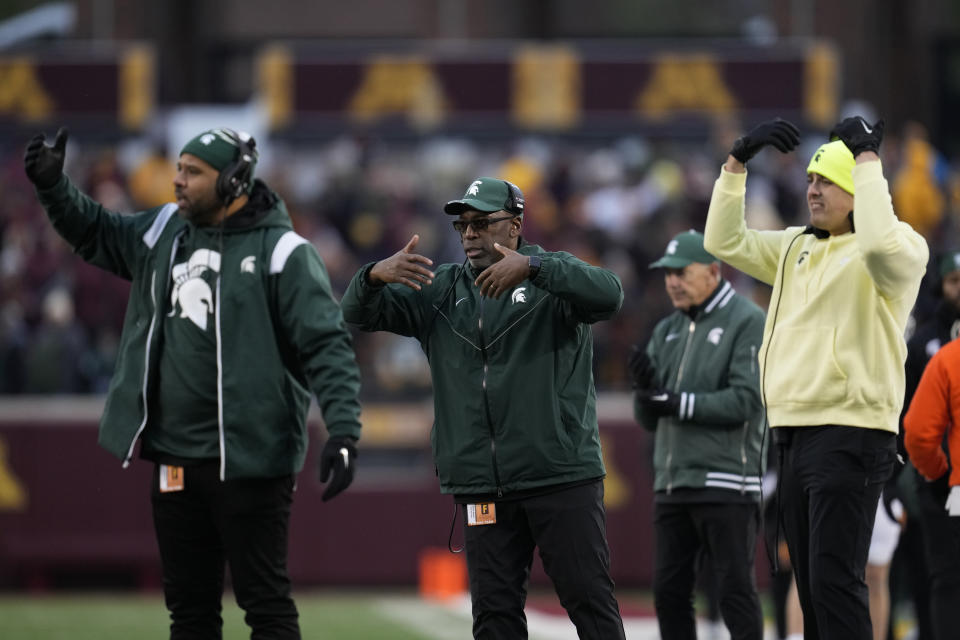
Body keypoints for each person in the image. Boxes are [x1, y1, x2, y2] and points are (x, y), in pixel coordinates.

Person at [24, 127, 363, 639]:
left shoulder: (285, 253)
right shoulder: (162, 231)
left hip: (252, 459)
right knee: (189, 615)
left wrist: (343, 432)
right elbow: (93, 230)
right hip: (175, 459)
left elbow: (327, 346)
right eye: (178, 168)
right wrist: (53, 184)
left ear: (232, 180)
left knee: (266, 609)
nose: (176, 181)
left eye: (192, 172)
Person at [340, 177, 626, 639]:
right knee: (493, 619)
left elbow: (610, 294)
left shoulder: (553, 274)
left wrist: (535, 269)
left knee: (590, 604)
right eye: (462, 225)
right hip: (483, 482)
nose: (469, 234)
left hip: (558, 474)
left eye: (481, 223)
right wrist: (371, 276)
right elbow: (357, 313)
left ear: (514, 226)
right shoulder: (441, 290)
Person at [703, 115, 928, 639]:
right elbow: (722, 240)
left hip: (851, 430)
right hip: (794, 432)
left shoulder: (900, 248)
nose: (812, 189)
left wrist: (868, 156)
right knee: (810, 586)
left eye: (826, 180)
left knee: (835, 582)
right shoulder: (794, 248)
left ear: (858, 190)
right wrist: (736, 163)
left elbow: (877, 245)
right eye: (808, 179)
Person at [630, 229, 766, 640]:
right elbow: (648, 418)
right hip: (673, 481)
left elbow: (746, 400)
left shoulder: (747, 319)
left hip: (727, 479)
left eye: (680, 272)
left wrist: (675, 402)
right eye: (667, 273)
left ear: (713, 270)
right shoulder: (666, 329)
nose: (672, 281)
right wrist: (646, 392)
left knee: (734, 591)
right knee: (669, 594)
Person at [902, 252, 960, 640]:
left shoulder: (947, 358)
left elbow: (918, 432)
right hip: (942, 483)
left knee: (948, 582)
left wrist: (940, 473)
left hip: (954, 488)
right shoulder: (929, 344)